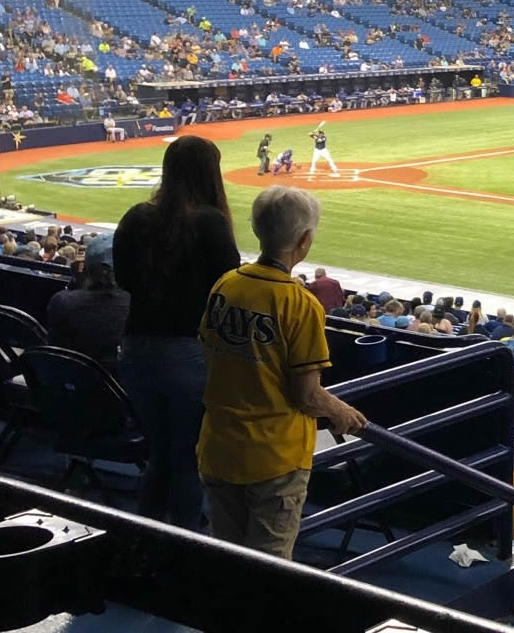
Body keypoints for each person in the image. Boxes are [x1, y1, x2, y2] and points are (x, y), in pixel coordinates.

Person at [197, 186, 366, 558]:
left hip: (219, 445)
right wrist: (341, 411)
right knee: (270, 571)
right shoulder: (300, 304)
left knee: (224, 558)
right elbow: (307, 395)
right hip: (273, 457)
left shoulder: (226, 284)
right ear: (304, 241)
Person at [113, 135, 241, 529]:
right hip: (188, 352)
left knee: (161, 453)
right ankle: (182, 545)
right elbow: (230, 287)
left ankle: (143, 537)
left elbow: (124, 280)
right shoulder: (209, 221)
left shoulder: (136, 215)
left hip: (135, 350)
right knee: (186, 456)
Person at [45, 258, 131, 369]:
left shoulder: (62, 300)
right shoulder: (136, 304)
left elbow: (53, 348)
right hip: (118, 381)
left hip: (66, 376)